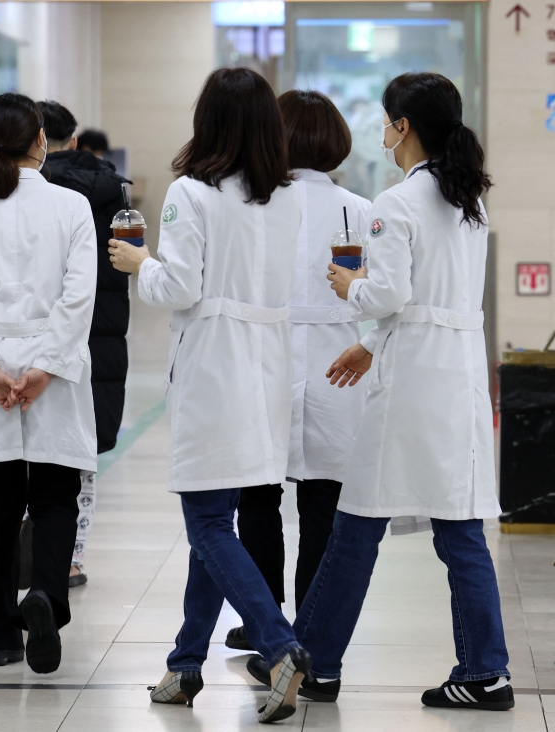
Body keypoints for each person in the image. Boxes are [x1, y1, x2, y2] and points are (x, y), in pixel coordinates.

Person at [280, 72, 513, 711]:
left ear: (403, 127)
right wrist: (374, 335)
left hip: (411, 381)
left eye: (387, 120)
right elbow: (435, 301)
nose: (382, 132)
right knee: (458, 525)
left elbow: (389, 296)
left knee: (358, 521)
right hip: (455, 373)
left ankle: (315, 664)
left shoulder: (396, 203)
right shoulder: (468, 198)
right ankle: (484, 668)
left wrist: (345, 285)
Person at [108, 68, 310, 722]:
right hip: (266, 368)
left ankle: (279, 646)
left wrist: (140, 264)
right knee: (217, 518)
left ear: (209, 121)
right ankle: (184, 664)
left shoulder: (190, 193)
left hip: (214, 368)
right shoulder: (286, 199)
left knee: (206, 522)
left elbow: (180, 289)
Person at [0, 93, 97, 675]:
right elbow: (79, 296)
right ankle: (46, 600)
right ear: (40, 141)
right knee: (57, 501)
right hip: (52, 375)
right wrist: (45, 370)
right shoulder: (72, 207)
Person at [226, 91, 372, 674]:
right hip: (342, 357)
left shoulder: (254, 203)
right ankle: (312, 626)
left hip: (269, 353)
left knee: (258, 494)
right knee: (325, 501)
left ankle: (266, 622)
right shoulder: (360, 209)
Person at [30, 100, 131, 588]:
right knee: (80, 453)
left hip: (29, 334)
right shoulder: (109, 190)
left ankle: (24, 554)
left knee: (26, 452)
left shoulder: (18, 189)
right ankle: (69, 558)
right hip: (97, 332)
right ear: (73, 140)